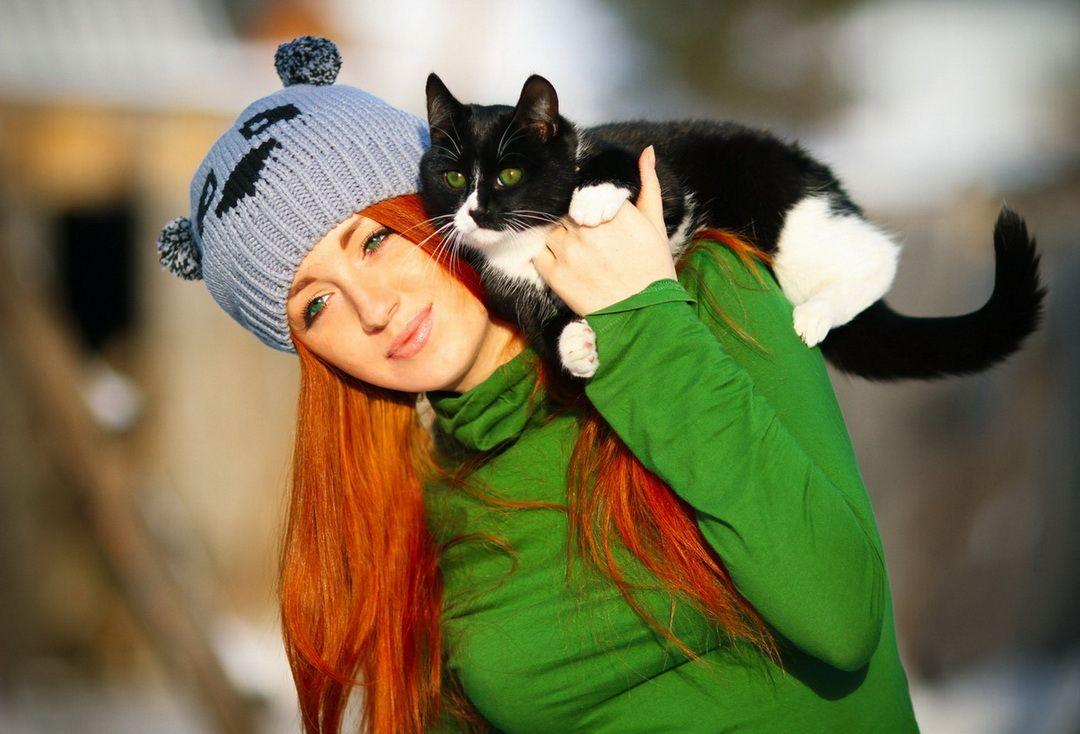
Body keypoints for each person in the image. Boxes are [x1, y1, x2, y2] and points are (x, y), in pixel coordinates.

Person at [157, 36, 919, 734]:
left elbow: (842, 616)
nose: (373, 308)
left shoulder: (703, 293)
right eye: (315, 306)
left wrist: (639, 326)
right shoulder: (422, 510)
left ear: (435, 208)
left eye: (376, 240)